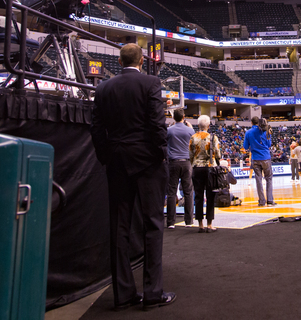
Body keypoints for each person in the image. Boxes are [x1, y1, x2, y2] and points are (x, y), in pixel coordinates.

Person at [91, 43, 175, 310]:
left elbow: (96, 128)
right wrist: (161, 152)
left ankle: (124, 295)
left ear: (119, 61)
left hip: (116, 161)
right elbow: (156, 122)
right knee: (152, 224)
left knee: (120, 228)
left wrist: (106, 156)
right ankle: (152, 293)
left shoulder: (103, 88)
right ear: (141, 60)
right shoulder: (151, 82)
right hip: (147, 162)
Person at [189, 114, 221, 232]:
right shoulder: (213, 137)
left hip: (197, 168)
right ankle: (209, 224)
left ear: (198, 125)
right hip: (210, 169)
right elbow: (218, 154)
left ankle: (200, 225)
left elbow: (191, 155)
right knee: (210, 195)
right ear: (208, 125)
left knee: (198, 196)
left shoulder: (193, 137)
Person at [165, 109, 194, 229]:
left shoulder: (169, 130)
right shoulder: (190, 130)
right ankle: (188, 221)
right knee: (188, 192)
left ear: (173, 118)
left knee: (171, 192)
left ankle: (171, 222)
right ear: (184, 117)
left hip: (173, 163)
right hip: (186, 163)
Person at [244, 116, 275, 206]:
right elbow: (269, 144)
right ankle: (270, 200)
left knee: (258, 179)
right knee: (269, 179)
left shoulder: (248, 132)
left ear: (251, 123)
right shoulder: (265, 131)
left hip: (255, 158)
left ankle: (261, 201)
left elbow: (245, 147)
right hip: (265, 157)